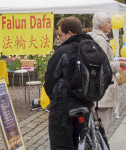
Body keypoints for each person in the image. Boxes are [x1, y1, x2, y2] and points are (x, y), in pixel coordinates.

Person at [44, 16, 94, 150]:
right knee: (77, 142)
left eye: (60, 34)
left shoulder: (63, 51)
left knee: (61, 144)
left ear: (70, 33)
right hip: (85, 104)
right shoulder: (91, 48)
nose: (59, 38)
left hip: (63, 106)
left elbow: (49, 79)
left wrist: (54, 99)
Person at [90, 12, 126, 132]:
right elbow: (101, 65)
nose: (111, 25)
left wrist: (115, 59)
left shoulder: (95, 37)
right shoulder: (100, 40)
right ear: (101, 24)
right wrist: (119, 64)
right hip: (103, 90)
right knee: (102, 130)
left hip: (99, 89)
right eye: (108, 22)